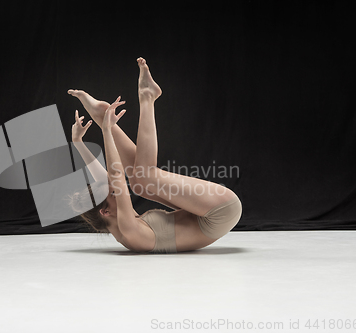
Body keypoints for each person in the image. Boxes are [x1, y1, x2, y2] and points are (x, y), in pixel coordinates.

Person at [68, 57, 242, 254]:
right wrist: (106, 131)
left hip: (205, 212)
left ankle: (105, 116)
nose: (119, 189)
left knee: (140, 184)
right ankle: (147, 98)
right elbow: (116, 176)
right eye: (114, 193)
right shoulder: (129, 230)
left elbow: (108, 179)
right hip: (220, 211)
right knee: (143, 177)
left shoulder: (120, 226)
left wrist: (78, 143)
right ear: (105, 212)